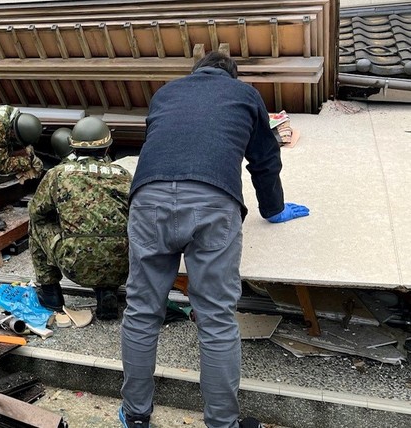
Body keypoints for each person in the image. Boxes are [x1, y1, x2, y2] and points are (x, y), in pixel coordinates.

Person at [119, 52, 310, 428]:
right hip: (212, 201)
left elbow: (162, 144)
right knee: (216, 318)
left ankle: (136, 416)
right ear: (231, 75)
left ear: (195, 73)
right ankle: (223, 423)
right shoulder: (245, 94)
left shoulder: (166, 93)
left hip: (149, 199)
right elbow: (265, 158)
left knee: (142, 312)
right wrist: (273, 209)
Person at [29, 116, 131, 320]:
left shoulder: (58, 174)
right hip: (123, 267)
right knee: (113, 231)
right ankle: (107, 294)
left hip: (75, 264)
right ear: (107, 148)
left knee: (37, 222)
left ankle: (51, 294)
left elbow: (36, 211)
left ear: (73, 148)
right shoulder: (123, 174)